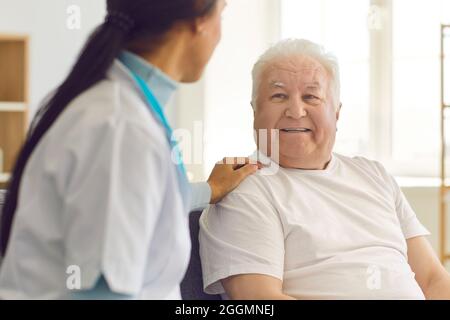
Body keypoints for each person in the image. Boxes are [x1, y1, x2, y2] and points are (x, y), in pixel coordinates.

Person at [0, 0, 259, 299]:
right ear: (199, 20)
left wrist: (210, 190)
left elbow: (143, 201)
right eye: (221, 14)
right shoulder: (121, 127)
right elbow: (103, 292)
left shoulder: (124, 107)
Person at [199, 39, 450, 299]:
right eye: (279, 96)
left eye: (311, 96)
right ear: (254, 110)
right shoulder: (246, 188)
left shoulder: (374, 175)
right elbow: (259, 300)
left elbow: (433, 280)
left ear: (337, 112)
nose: (296, 111)